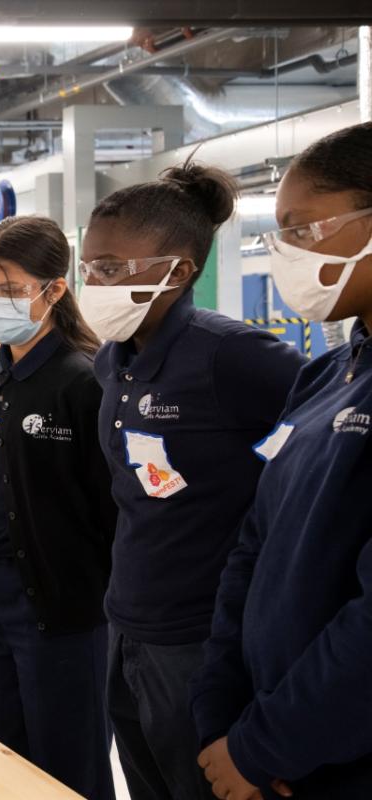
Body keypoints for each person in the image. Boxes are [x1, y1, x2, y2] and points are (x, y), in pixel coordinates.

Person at [79, 161, 306, 800]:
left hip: (200, 635)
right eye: (90, 266)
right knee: (145, 781)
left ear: (177, 272)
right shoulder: (112, 360)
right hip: (128, 620)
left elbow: (317, 439)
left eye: (113, 269)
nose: (94, 282)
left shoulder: (231, 355)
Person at [192, 121, 372, 800]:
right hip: (273, 749)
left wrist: (266, 745)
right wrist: (221, 714)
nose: (285, 251)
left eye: (302, 229)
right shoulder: (326, 379)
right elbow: (253, 549)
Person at [0, 215, 116, 799]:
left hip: (59, 605)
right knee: (8, 759)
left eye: (9, 291)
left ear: (55, 289)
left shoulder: (84, 381)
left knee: (69, 767)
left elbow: (111, 510)